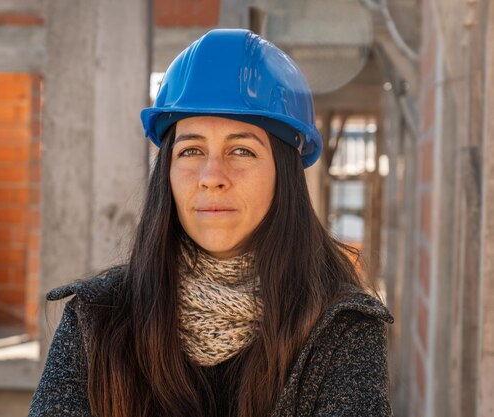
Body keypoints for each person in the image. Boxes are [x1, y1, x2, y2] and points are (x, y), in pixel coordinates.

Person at [28, 28, 394, 417]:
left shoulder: (343, 329)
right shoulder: (97, 320)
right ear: (166, 170)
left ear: (283, 174)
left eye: (241, 150)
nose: (211, 175)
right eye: (191, 150)